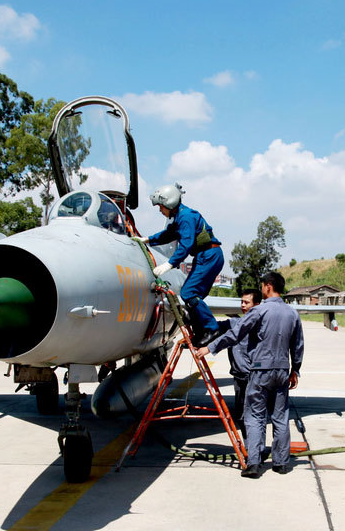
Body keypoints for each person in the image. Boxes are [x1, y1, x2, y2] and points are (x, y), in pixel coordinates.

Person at [196, 272, 303, 478]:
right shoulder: (292, 313)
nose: (261, 289)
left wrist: (210, 348)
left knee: (254, 416)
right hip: (282, 370)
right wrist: (295, 370)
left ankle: (254, 463)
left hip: (260, 370)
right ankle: (281, 463)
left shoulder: (259, 311)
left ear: (269, 287)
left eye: (262, 285)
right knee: (280, 417)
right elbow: (297, 345)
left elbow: (236, 334)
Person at [144, 183, 223, 347]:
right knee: (191, 296)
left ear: (169, 203)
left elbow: (186, 245)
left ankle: (212, 329)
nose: (160, 210)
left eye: (161, 206)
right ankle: (201, 333)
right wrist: (148, 240)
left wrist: (170, 264)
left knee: (188, 293)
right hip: (205, 256)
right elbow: (168, 234)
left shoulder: (186, 217)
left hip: (209, 255)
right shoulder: (180, 216)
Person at [215, 288, 262, 432]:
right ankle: (248, 447)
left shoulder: (263, 324)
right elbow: (213, 326)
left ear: (257, 304)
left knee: (254, 414)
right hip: (239, 375)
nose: (242, 305)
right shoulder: (234, 322)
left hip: (255, 375)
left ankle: (253, 448)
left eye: (246, 302)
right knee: (242, 413)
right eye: (241, 302)